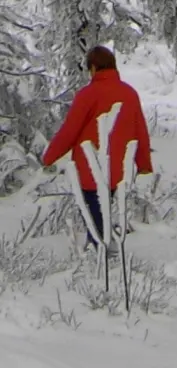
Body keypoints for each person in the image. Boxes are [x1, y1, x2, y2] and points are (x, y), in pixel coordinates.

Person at [42, 46, 153, 247]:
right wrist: (144, 164)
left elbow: (70, 131)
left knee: (94, 220)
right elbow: (141, 132)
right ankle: (103, 256)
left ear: (93, 68)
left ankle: (102, 258)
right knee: (102, 216)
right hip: (118, 170)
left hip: (90, 168)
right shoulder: (129, 93)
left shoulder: (87, 95)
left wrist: (49, 157)